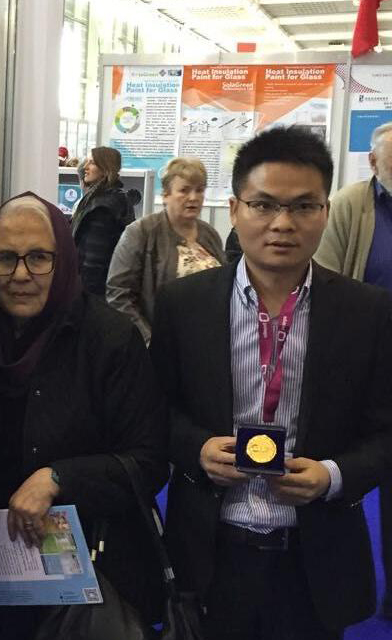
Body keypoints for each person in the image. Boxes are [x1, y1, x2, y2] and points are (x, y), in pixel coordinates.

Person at [151, 125, 392, 640]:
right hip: (212, 550)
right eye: (263, 205)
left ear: (326, 212)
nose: (283, 223)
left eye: (304, 206)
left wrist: (333, 475)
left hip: (315, 556)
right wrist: (196, 448)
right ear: (234, 209)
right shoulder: (183, 305)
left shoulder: (367, 312)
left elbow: (385, 431)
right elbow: (154, 411)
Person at [0, 192, 168, 638]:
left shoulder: (109, 339)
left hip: (88, 579)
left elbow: (149, 460)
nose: (21, 274)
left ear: (65, 260)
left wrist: (58, 478)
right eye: (5, 258)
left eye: (39, 258)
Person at [316, 120, 392, 618]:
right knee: (363, 465)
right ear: (374, 162)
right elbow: (325, 281)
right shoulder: (350, 205)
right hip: (368, 359)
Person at [106, 157, 225, 344]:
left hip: (205, 343)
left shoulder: (210, 235)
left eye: (200, 190)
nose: (193, 197)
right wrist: (150, 341)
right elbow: (118, 295)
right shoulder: (141, 232)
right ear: (166, 195)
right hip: (158, 344)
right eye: (184, 190)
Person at [69, 146, 136, 296]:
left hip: (94, 292)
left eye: (92, 163)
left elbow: (93, 262)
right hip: (108, 289)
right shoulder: (114, 198)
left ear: (106, 168)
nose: (85, 167)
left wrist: (82, 296)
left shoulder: (102, 209)